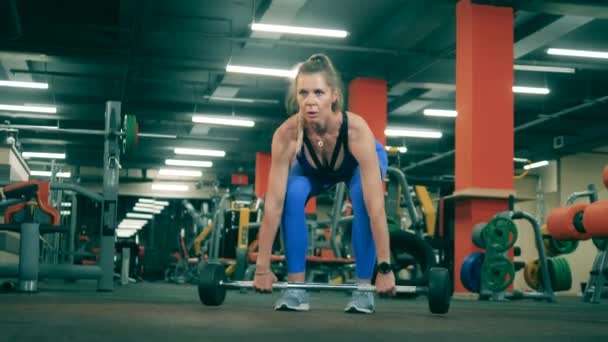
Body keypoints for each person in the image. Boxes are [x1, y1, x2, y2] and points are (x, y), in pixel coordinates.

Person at [253, 53, 396, 314]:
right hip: (316, 169)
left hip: (355, 164)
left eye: (318, 92)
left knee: (363, 198)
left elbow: (377, 208)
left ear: (334, 96)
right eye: (303, 93)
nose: (310, 101)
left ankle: (363, 289)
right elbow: (272, 205)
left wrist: (385, 268)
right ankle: (296, 289)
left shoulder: (355, 130)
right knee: (291, 196)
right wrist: (262, 268)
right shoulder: (286, 135)